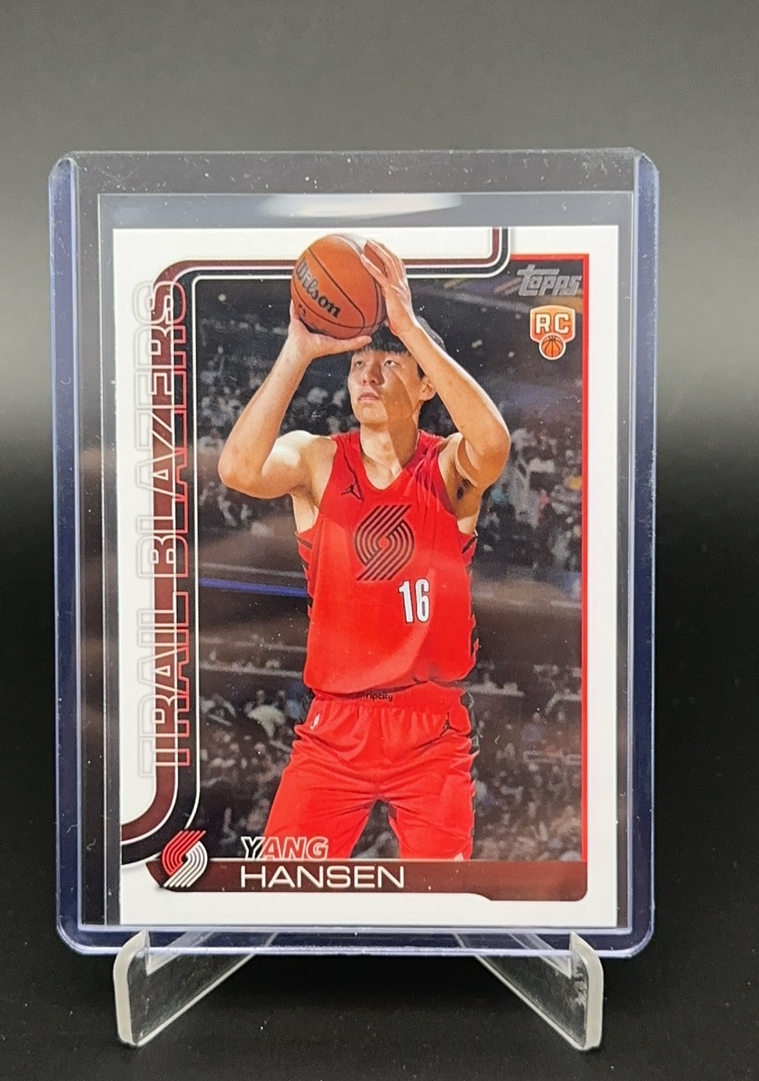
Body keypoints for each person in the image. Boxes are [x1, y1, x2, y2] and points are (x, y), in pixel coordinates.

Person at [218, 239, 511, 860]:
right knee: (282, 892)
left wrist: (409, 325)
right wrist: (298, 350)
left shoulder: (447, 467)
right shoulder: (317, 459)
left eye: (390, 362)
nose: (369, 376)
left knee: (442, 904)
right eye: (358, 364)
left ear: (426, 384)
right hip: (336, 727)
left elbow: (493, 443)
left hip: (429, 728)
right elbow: (238, 469)